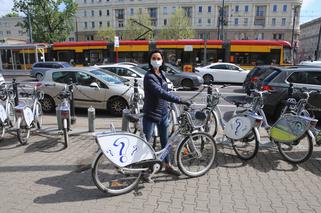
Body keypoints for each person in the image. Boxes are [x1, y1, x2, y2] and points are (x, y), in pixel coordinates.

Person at [143, 49, 191, 176]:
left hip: (163, 113)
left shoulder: (161, 73)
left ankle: (167, 165)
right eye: (154, 58)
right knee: (145, 142)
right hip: (151, 114)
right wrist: (180, 100)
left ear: (162, 60)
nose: (156, 61)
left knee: (165, 141)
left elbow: (167, 90)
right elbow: (161, 93)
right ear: (150, 60)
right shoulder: (149, 76)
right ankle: (142, 168)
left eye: (159, 58)